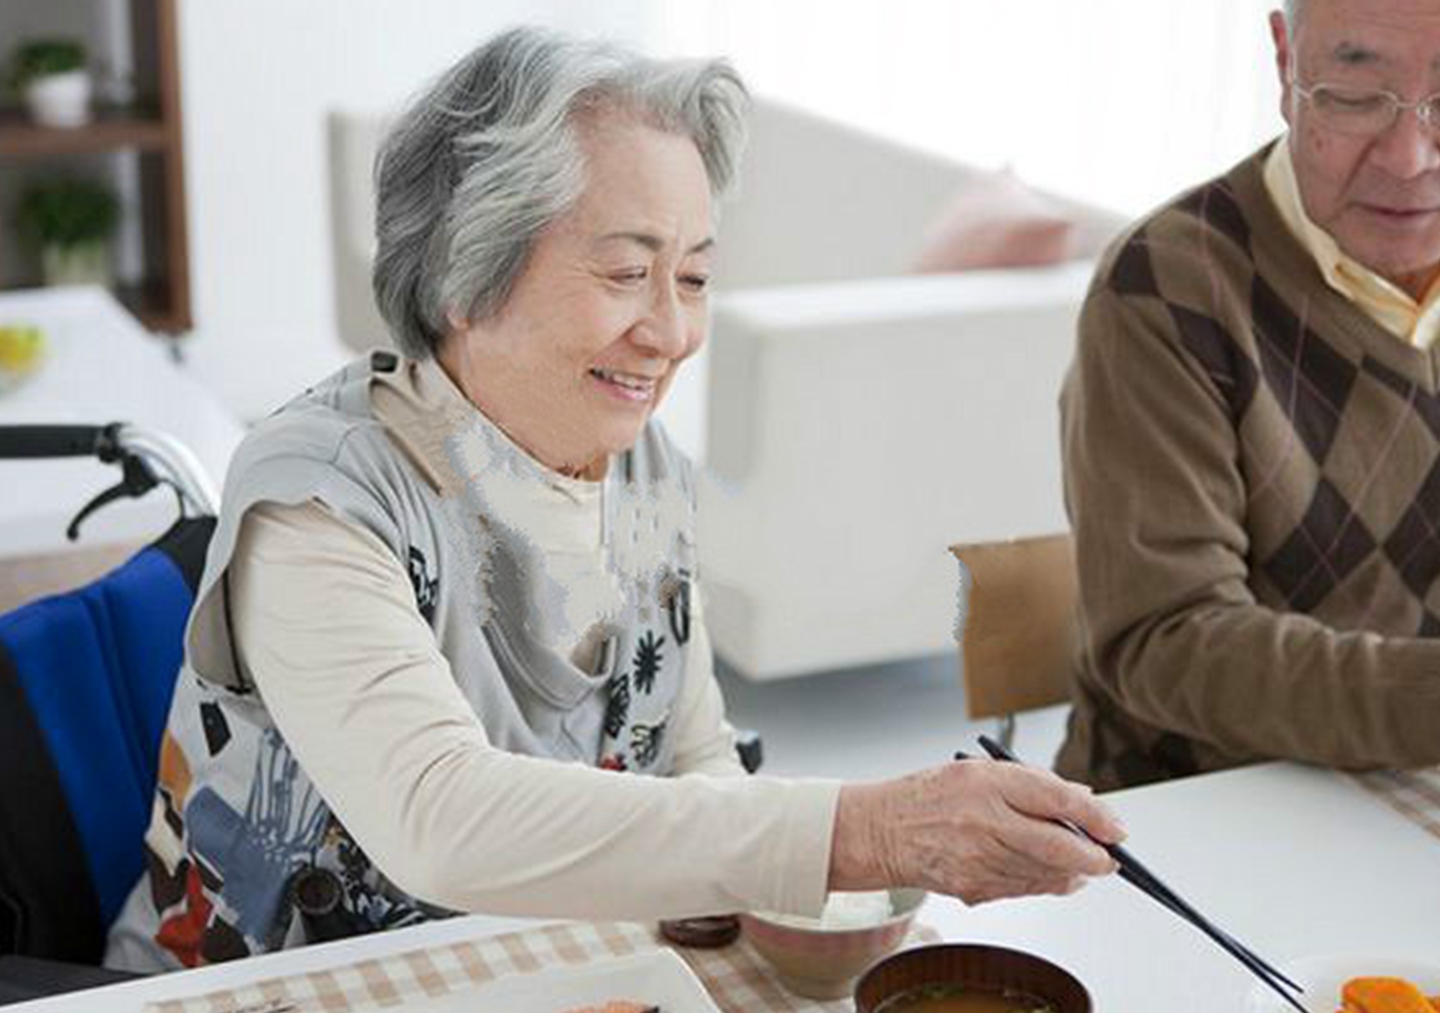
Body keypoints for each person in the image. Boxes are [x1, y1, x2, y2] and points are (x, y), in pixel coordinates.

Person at [105, 27, 1123, 971]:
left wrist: (810, 905)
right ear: (470, 273)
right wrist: (865, 827)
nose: (672, 330)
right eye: (630, 272)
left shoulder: (638, 467)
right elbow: (438, 814)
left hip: (525, 971)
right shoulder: (320, 500)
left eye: (693, 277)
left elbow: (694, 750)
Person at [1056, 0, 1440, 792]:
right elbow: (1165, 640)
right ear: (1286, 64)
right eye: (1353, 97)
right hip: (1198, 809)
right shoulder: (1167, 285)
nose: (1408, 156)